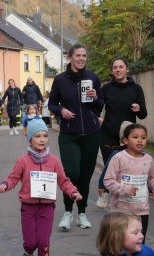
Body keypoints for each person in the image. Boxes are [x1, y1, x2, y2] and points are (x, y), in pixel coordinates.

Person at [0, 119, 82, 256]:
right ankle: (28, 252)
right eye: (37, 136)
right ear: (30, 139)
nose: (42, 139)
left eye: (45, 136)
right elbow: (13, 178)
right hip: (28, 208)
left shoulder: (54, 161)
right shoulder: (23, 161)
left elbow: (63, 181)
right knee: (31, 242)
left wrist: (72, 192)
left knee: (43, 241)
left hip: (47, 208)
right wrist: (5, 185)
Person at [48, 43, 104, 231]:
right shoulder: (60, 80)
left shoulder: (93, 78)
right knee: (72, 173)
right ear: (70, 57)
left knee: (85, 176)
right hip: (69, 134)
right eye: (78, 55)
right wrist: (61, 110)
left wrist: (95, 97)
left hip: (91, 134)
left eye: (84, 56)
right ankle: (67, 212)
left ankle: (81, 214)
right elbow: (52, 104)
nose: (81, 59)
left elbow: (100, 105)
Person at [103, 123, 154, 241]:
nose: (140, 140)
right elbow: (108, 181)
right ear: (125, 140)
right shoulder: (118, 158)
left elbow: (152, 178)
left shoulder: (148, 159)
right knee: (119, 243)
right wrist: (126, 189)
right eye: (135, 137)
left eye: (143, 138)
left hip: (142, 210)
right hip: (121, 210)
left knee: (139, 242)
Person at [100, 57, 147, 164]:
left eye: (121, 67)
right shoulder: (106, 88)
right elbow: (97, 107)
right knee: (110, 169)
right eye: (115, 67)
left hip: (129, 138)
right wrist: (97, 117)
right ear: (112, 71)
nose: (118, 70)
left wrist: (138, 109)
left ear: (127, 69)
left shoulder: (136, 88)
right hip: (108, 137)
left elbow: (143, 114)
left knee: (126, 170)